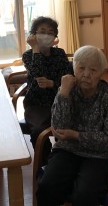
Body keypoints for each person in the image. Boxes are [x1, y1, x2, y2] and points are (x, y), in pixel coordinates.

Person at [36, 45, 108, 206]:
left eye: (93, 70)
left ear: (102, 73)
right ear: (73, 67)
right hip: (68, 149)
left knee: (83, 196)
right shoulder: (67, 89)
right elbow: (58, 128)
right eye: (81, 68)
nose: (86, 74)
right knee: (47, 187)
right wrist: (63, 93)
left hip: (101, 155)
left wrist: (76, 135)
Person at [21, 17, 70, 161]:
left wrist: (52, 84)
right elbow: (37, 74)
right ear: (33, 34)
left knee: (67, 128)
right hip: (36, 104)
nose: (46, 35)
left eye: (50, 32)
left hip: (59, 100)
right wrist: (36, 49)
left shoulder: (60, 53)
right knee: (37, 131)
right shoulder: (28, 55)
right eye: (42, 31)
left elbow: (67, 78)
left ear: (55, 37)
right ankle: (45, 163)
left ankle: (62, 159)